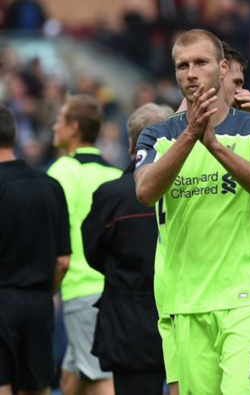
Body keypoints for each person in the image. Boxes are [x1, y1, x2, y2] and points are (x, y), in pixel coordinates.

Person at [134, 29, 250, 394]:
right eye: (181, 66)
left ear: (221, 68)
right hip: (187, 303)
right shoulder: (157, 137)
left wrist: (215, 146)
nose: (191, 72)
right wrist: (191, 135)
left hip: (246, 301)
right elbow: (145, 192)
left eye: (200, 62)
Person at [81, 103, 174, 395]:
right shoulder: (192, 191)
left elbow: (93, 253)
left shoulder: (111, 195)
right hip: (184, 311)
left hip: (128, 321)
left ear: (133, 145)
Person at [47, 95, 122, 395]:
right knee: (69, 380)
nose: (54, 126)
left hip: (79, 289)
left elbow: (50, 232)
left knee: (100, 378)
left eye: (59, 120)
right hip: (110, 289)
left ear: (73, 127)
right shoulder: (115, 174)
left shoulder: (62, 171)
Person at [0, 105, 70, 395]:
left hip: (2, 300)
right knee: (38, 387)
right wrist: (45, 293)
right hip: (40, 303)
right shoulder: (50, 186)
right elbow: (63, 262)